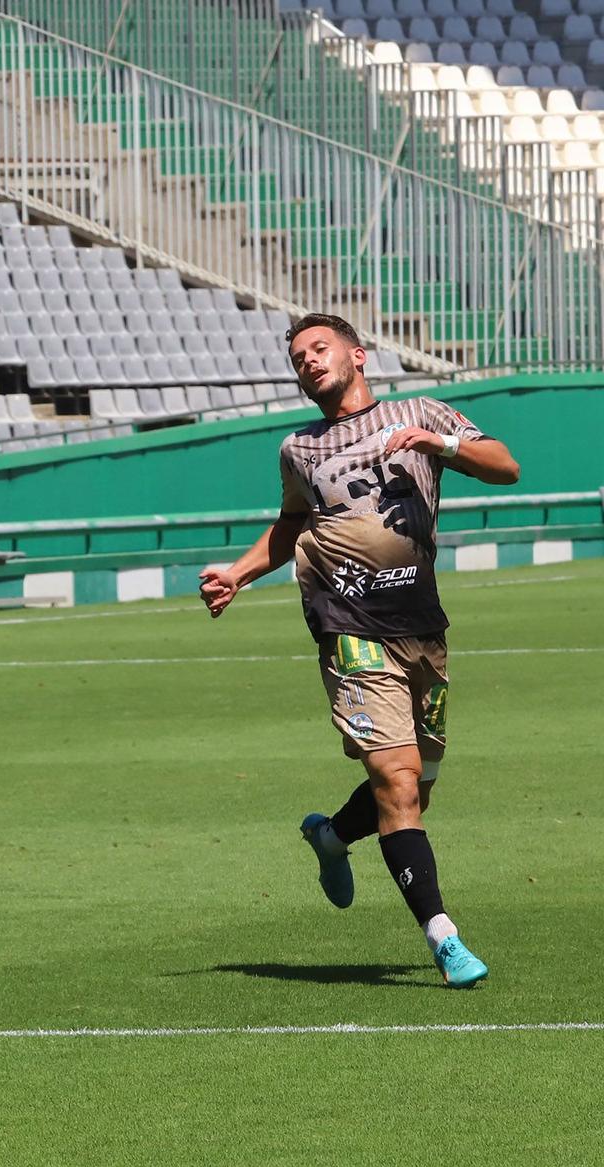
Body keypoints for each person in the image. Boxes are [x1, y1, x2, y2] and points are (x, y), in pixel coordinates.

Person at [199, 313, 520, 988]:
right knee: (399, 779)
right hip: (347, 627)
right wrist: (238, 572)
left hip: (422, 628)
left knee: (414, 792)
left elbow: (505, 466)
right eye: (298, 357)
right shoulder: (299, 450)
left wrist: (442, 443)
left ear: (359, 355)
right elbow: (292, 525)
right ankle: (445, 938)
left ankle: (331, 836)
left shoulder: (420, 410)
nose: (309, 361)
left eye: (319, 349)